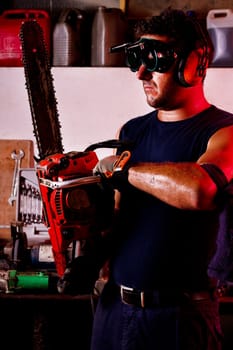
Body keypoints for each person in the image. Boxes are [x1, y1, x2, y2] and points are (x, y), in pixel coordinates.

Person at [88, 7, 233, 350]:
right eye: (137, 58)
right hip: (114, 308)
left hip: (179, 317)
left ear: (195, 63)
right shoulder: (131, 131)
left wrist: (124, 171)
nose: (141, 73)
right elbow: (119, 219)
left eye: (154, 60)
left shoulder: (223, 132)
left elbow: (202, 188)